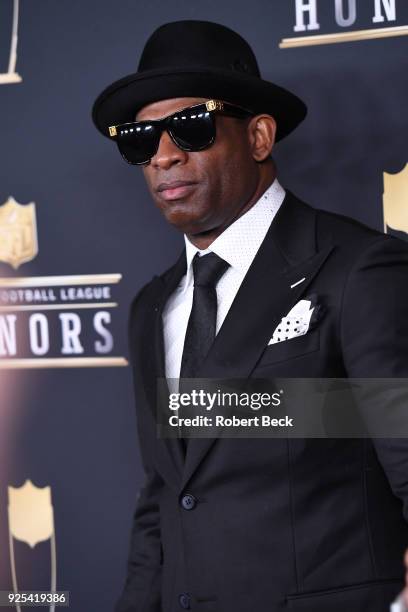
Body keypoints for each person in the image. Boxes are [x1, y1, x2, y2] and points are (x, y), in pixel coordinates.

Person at [92, 20, 408, 612]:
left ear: (260, 136)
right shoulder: (152, 307)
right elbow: (166, 499)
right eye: (140, 139)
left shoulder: (359, 270)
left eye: (190, 126)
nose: (163, 155)